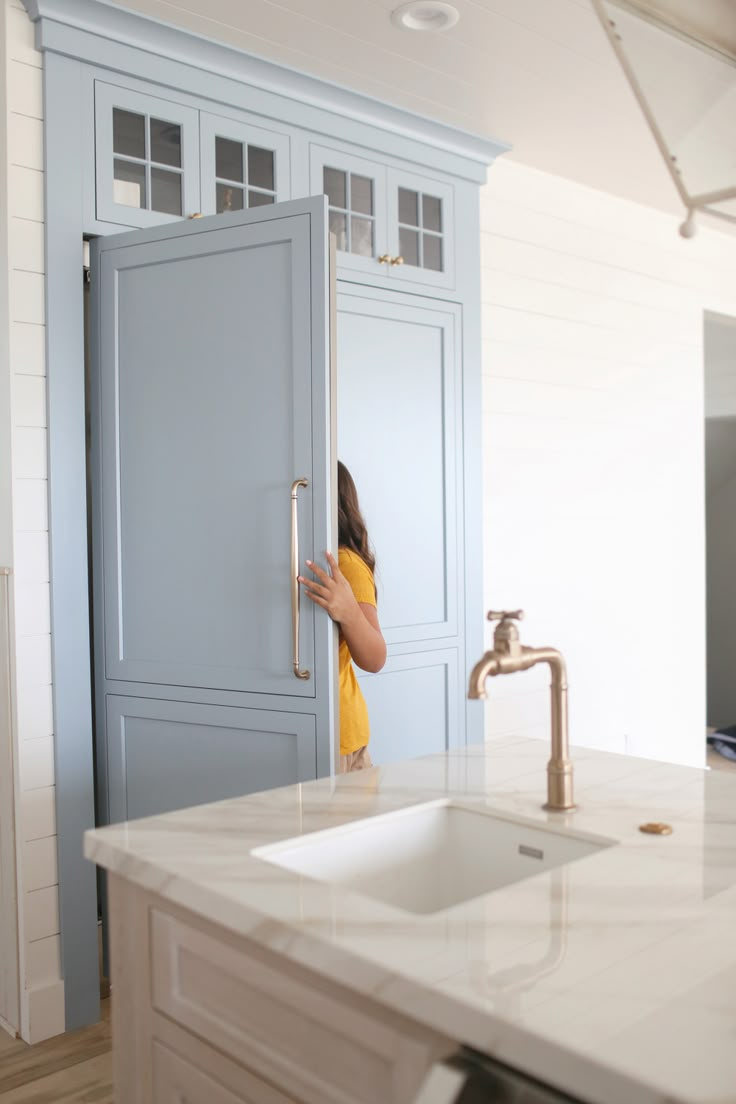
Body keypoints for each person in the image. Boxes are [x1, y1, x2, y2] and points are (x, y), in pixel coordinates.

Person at [298, 461, 386, 772]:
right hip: (309, 729)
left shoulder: (345, 563)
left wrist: (348, 612)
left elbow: (375, 658)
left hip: (341, 738)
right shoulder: (298, 558)